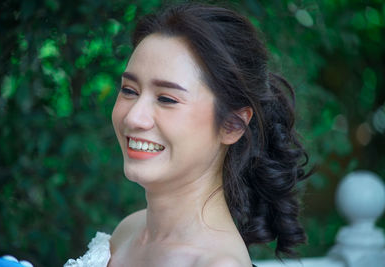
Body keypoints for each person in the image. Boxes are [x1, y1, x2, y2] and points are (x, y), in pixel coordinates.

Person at [65, 2, 312, 267]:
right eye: (129, 90)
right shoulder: (129, 230)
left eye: (167, 99)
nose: (133, 117)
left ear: (232, 125)